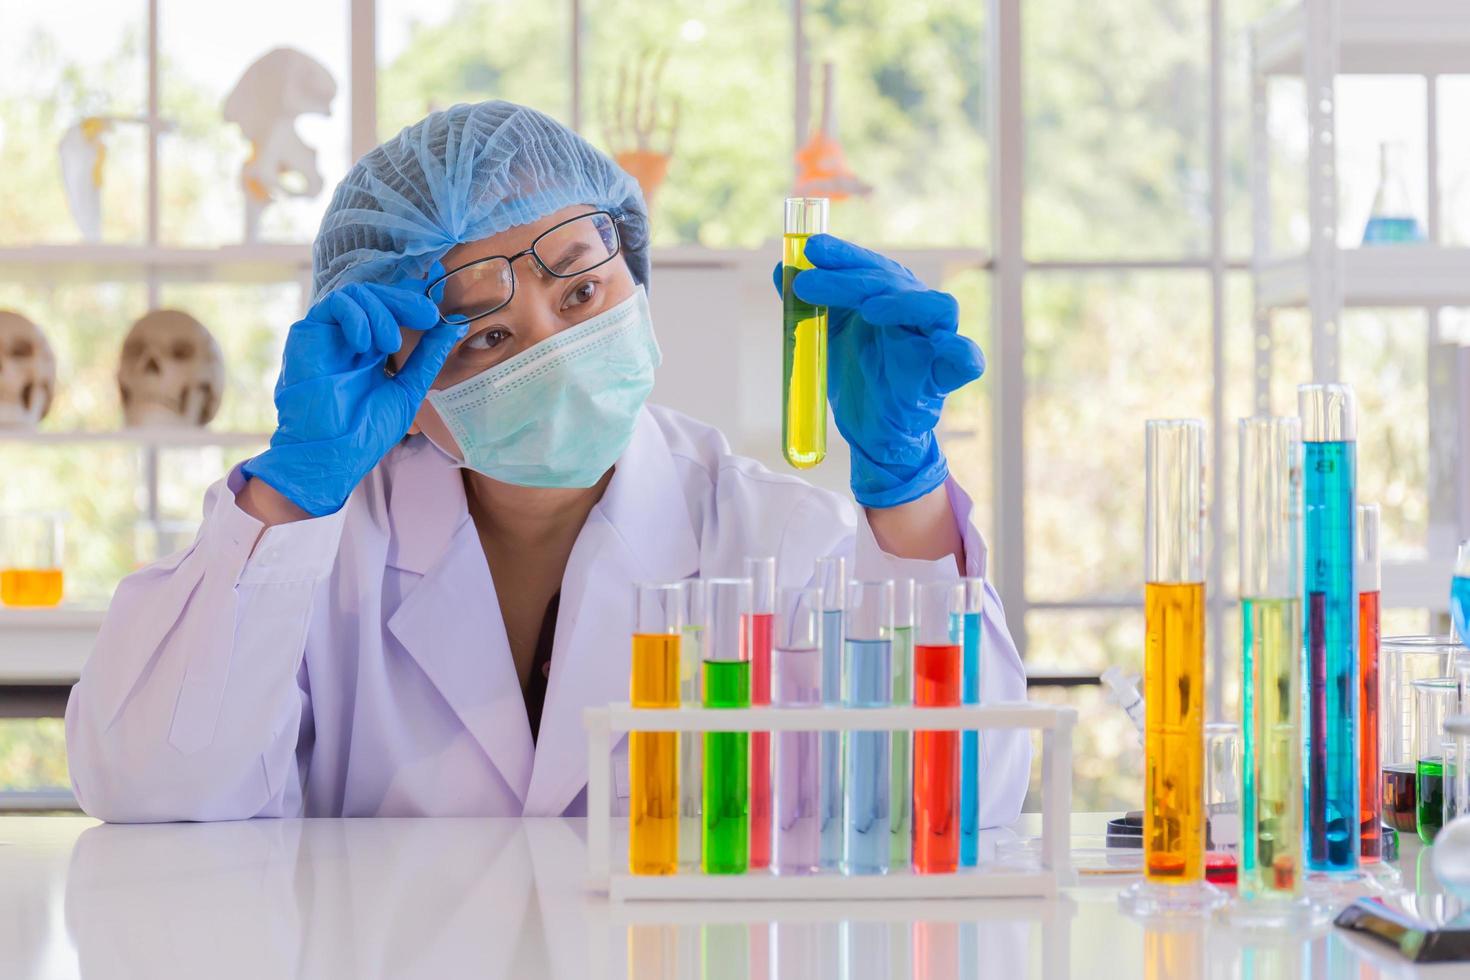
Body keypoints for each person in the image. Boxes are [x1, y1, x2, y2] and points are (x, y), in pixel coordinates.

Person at [65, 101, 1030, 822]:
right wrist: (290, 492)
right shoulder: (316, 547)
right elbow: (153, 793)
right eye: (483, 336)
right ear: (399, 374)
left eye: (578, 296)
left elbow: (957, 807)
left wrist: (906, 499)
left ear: (635, 280)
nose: (549, 354)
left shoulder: (778, 534)